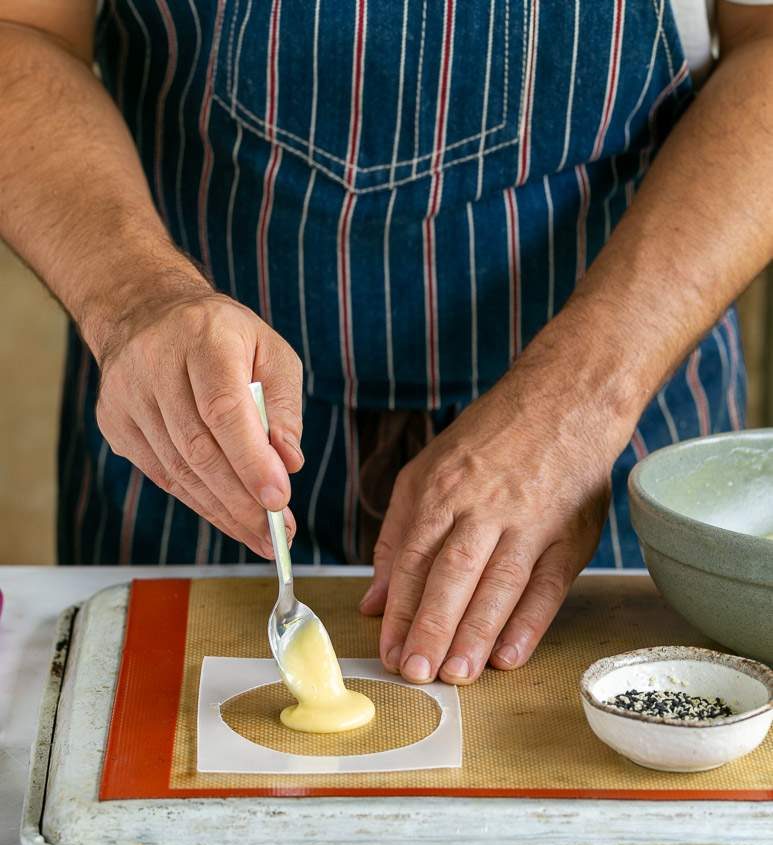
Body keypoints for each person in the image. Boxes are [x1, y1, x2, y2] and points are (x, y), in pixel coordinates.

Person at [1, 1, 770, 687]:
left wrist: (580, 399)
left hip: (614, 421)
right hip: (200, 420)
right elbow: (21, 29)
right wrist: (137, 299)